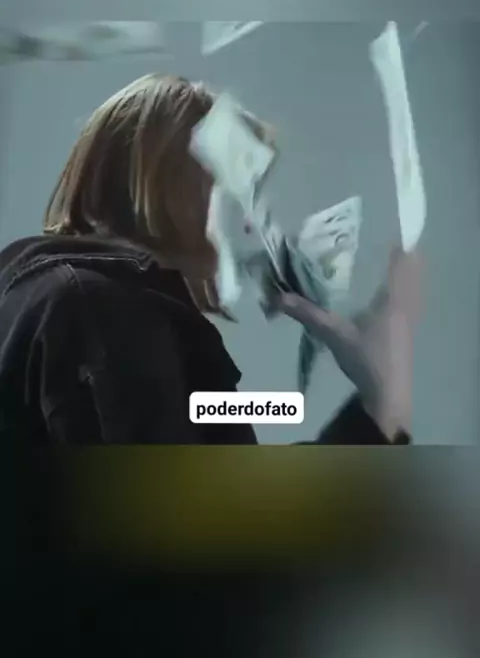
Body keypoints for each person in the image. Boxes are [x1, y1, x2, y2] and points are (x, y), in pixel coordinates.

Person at [0, 74, 421, 445]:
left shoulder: (63, 301)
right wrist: (378, 408)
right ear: (170, 187)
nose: (254, 221)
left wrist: (376, 406)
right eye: (240, 186)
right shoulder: (102, 310)